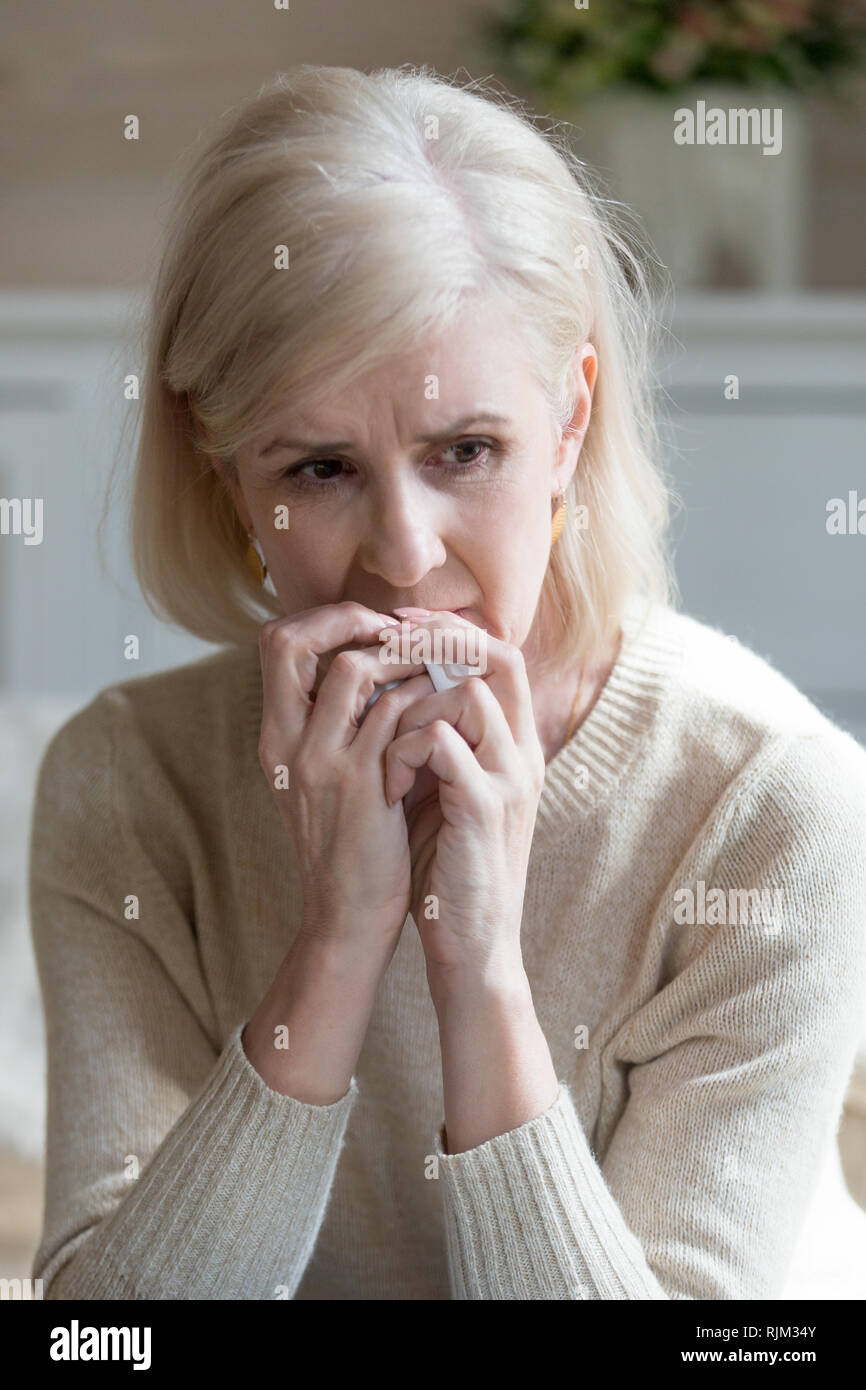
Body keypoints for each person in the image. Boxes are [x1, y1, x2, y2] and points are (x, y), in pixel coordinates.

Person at [29, 63, 866, 1301]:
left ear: (568, 425)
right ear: (223, 473)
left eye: (463, 451)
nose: (404, 556)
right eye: (318, 467)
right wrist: (339, 939)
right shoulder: (124, 785)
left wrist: (477, 971)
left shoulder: (770, 806)